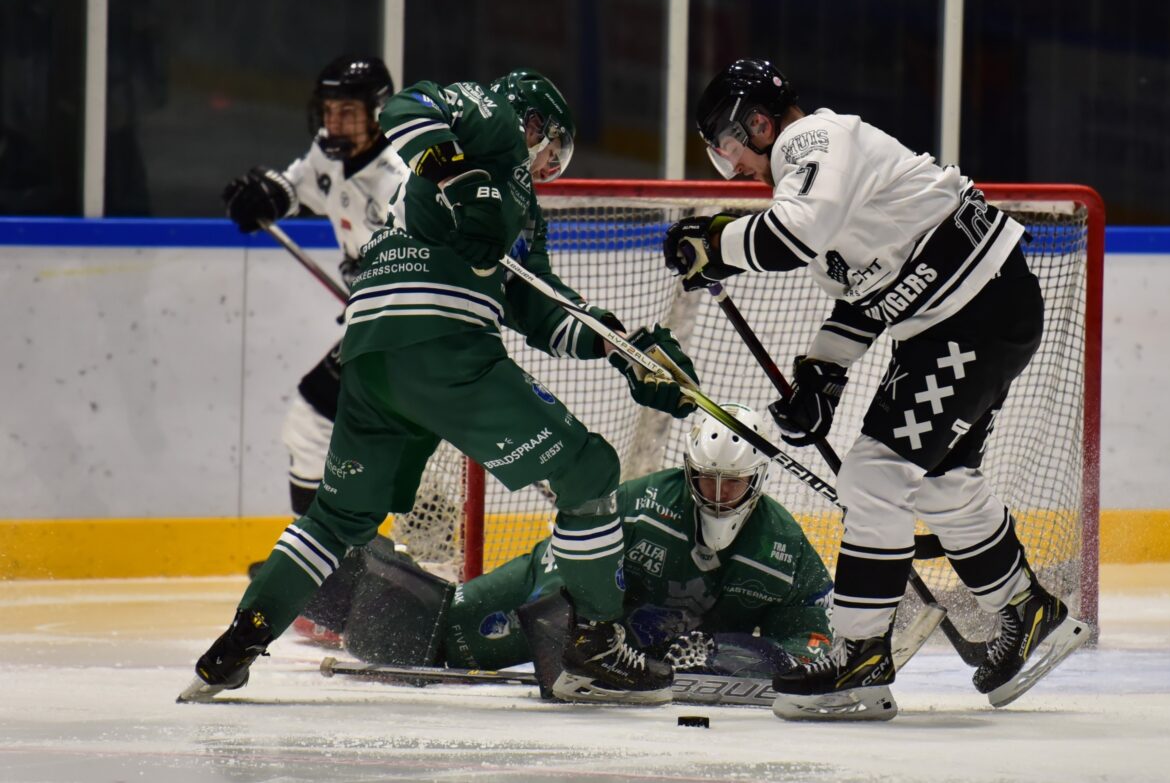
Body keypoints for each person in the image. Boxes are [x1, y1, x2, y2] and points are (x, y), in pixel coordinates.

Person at [181, 68, 700, 706]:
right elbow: (406, 104)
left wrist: (623, 348)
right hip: (444, 346)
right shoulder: (497, 125)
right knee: (590, 472)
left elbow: (540, 309)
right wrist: (459, 174)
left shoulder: (523, 215)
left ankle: (233, 649)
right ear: (535, 124)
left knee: (338, 517)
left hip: (371, 354)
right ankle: (593, 649)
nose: (549, 165)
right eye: (553, 148)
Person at [663, 59, 1090, 721]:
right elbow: (862, 300)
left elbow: (787, 237)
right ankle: (1027, 610)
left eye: (728, 148)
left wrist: (715, 241)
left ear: (759, 121)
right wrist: (820, 377)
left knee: (876, 474)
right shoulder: (817, 182)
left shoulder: (815, 142)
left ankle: (860, 655)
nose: (734, 168)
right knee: (941, 479)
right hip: (968, 316)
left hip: (970, 316)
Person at [335, 404, 832, 682]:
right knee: (431, 634)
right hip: (563, 602)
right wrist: (571, 635)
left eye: (734, 484)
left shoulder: (784, 547)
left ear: (758, 479)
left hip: (637, 660)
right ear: (689, 471)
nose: (720, 497)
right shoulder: (640, 504)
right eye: (708, 481)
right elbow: (566, 562)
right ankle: (331, 572)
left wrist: (725, 654)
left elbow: (813, 644)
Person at [221, 55, 403, 536]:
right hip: (378, 328)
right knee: (351, 440)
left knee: (311, 425)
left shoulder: (399, 181)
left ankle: (315, 565)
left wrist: (377, 288)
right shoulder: (330, 152)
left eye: (347, 111)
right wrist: (267, 196)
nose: (333, 122)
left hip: (405, 330)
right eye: (328, 109)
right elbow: (298, 188)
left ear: (379, 112)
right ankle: (331, 560)